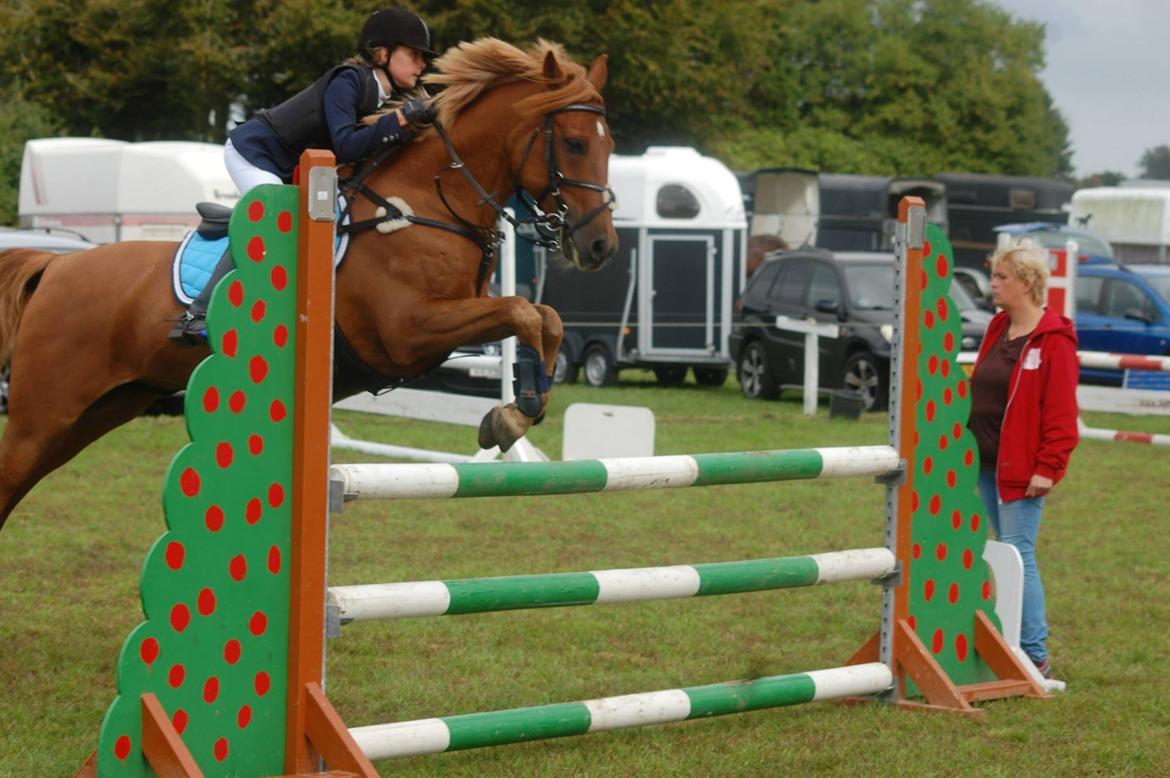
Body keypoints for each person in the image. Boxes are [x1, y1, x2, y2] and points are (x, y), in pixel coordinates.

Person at [171, 6, 438, 344]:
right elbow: (345, 144)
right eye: (414, 54)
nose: (422, 64)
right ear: (382, 53)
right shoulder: (349, 81)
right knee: (271, 222)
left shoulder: (384, 96)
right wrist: (398, 122)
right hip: (254, 153)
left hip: (288, 166)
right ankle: (197, 314)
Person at [968, 242, 1079, 679]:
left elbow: (1061, 416)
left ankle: (1035, 656)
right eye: (993, 276)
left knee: (1018, 555)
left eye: (1002, 278)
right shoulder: (998, 327)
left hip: (1022, 471)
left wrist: (1048, 467)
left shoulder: (1054, 342)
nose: (993, 285)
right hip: (981, 464)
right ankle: (1007, 644)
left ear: (1029, 283)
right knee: (998, 554)